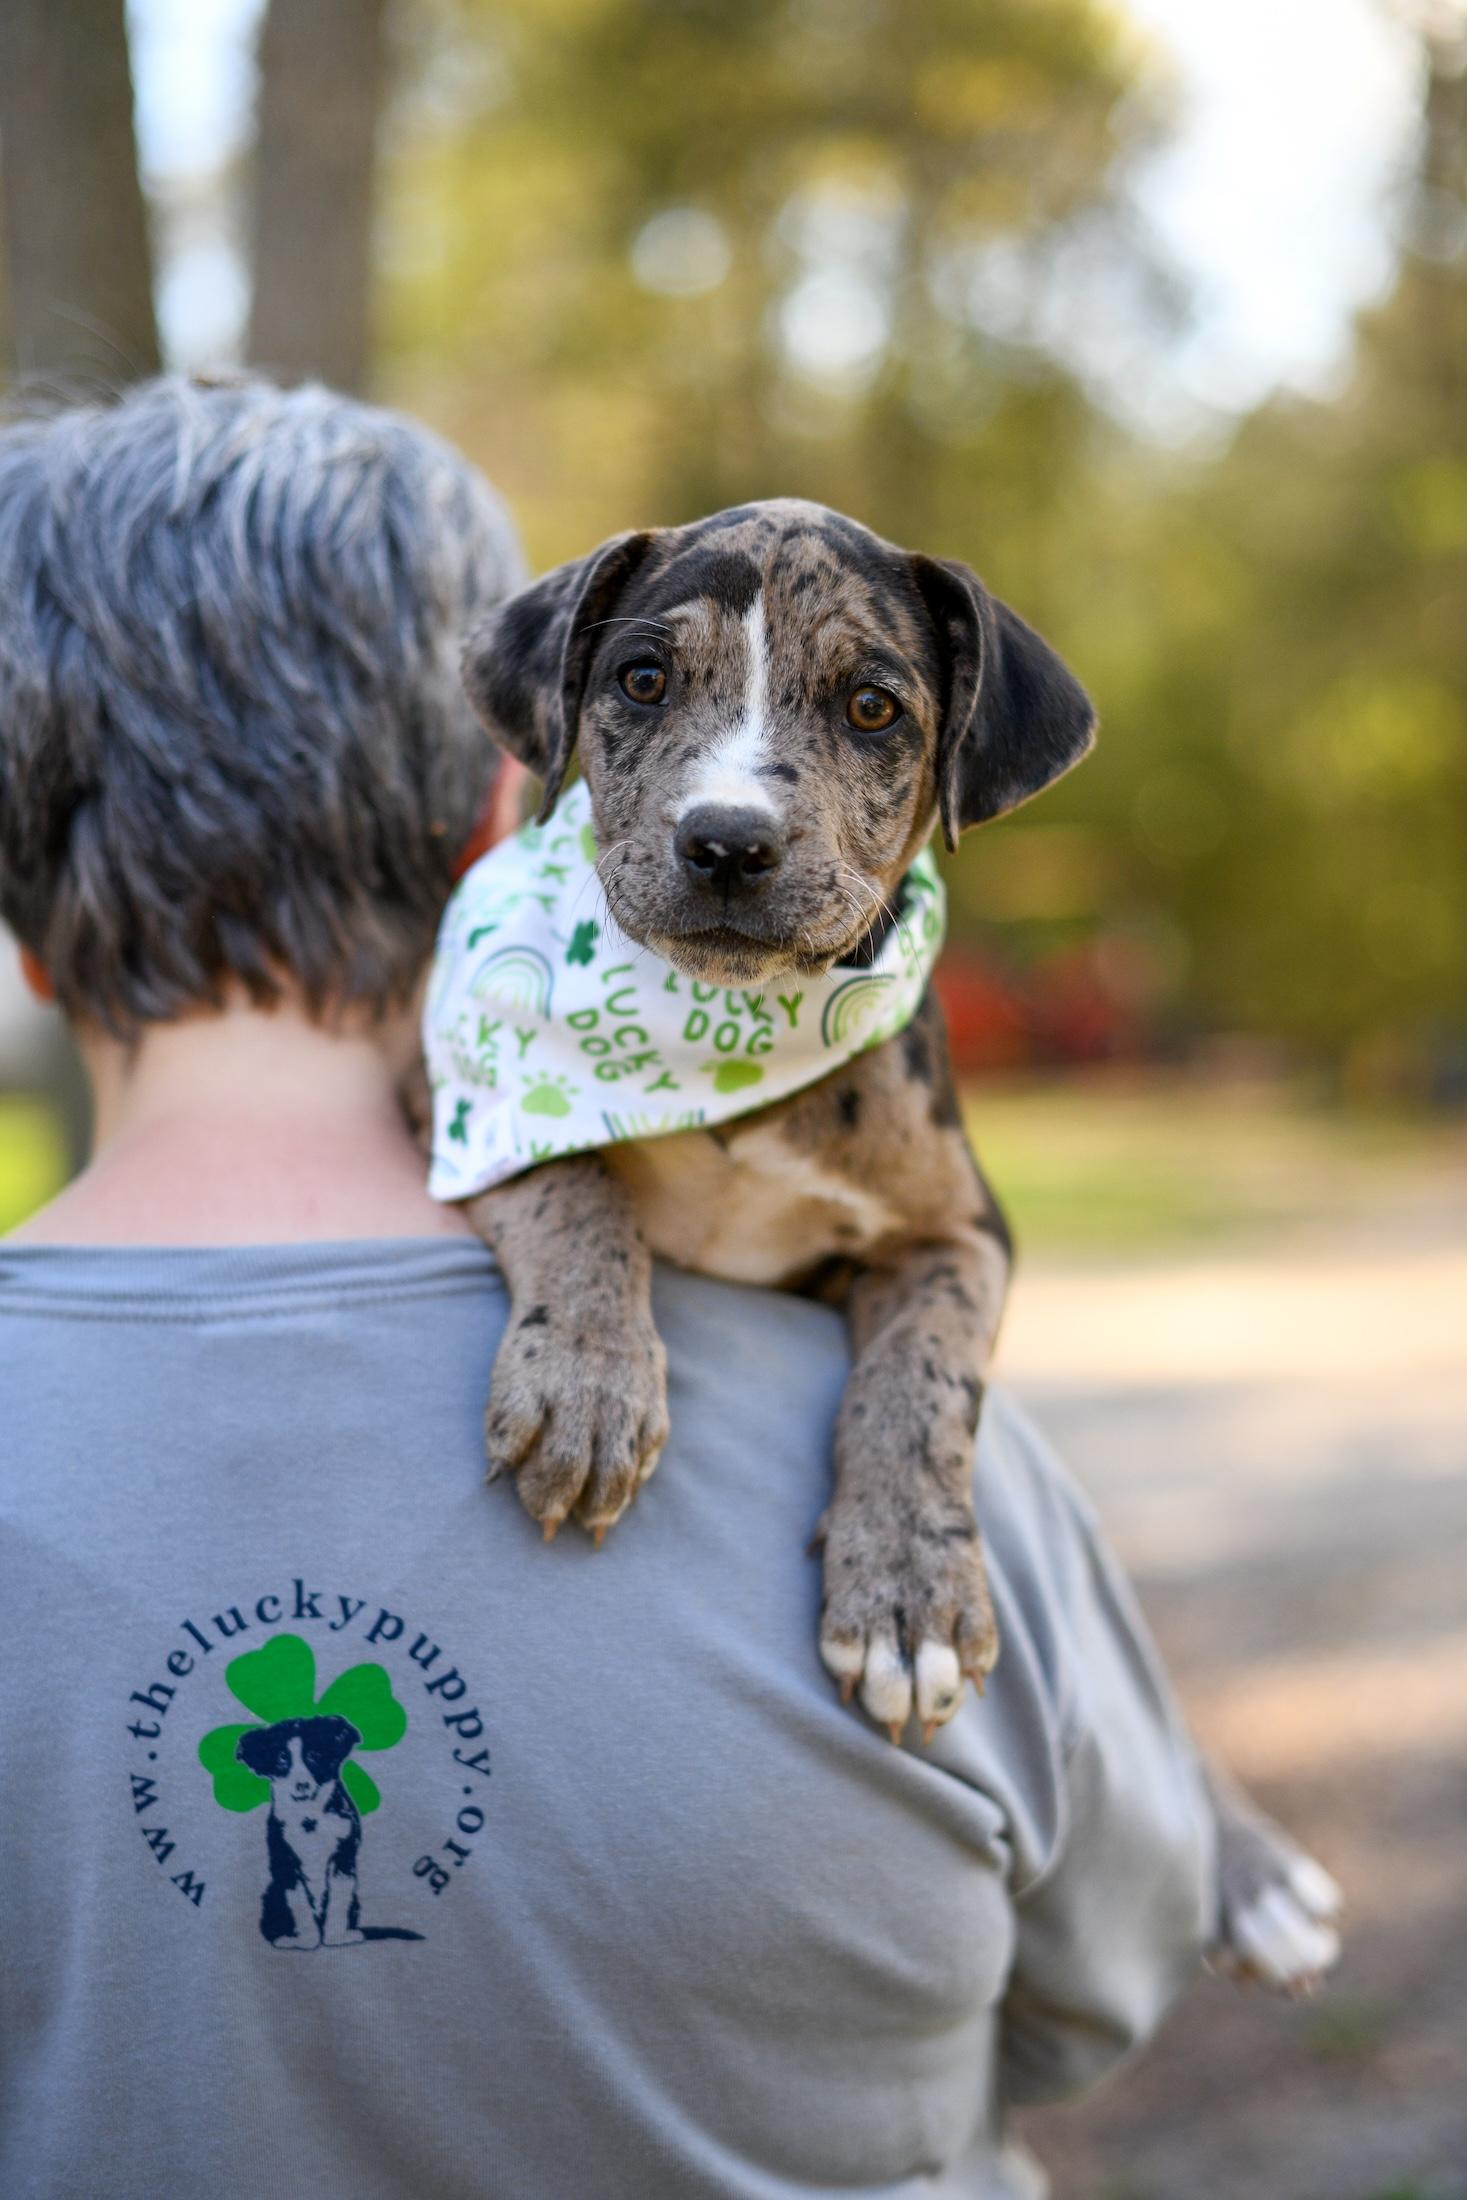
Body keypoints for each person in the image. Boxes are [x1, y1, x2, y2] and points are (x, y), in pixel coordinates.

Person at [0, 376, 1215, 2200]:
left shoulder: (921, 1386)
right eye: (649, 687)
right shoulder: (1006, 1519)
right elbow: (1104, 1992)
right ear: (517, 776)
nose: (735, 800)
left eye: (865, 715)